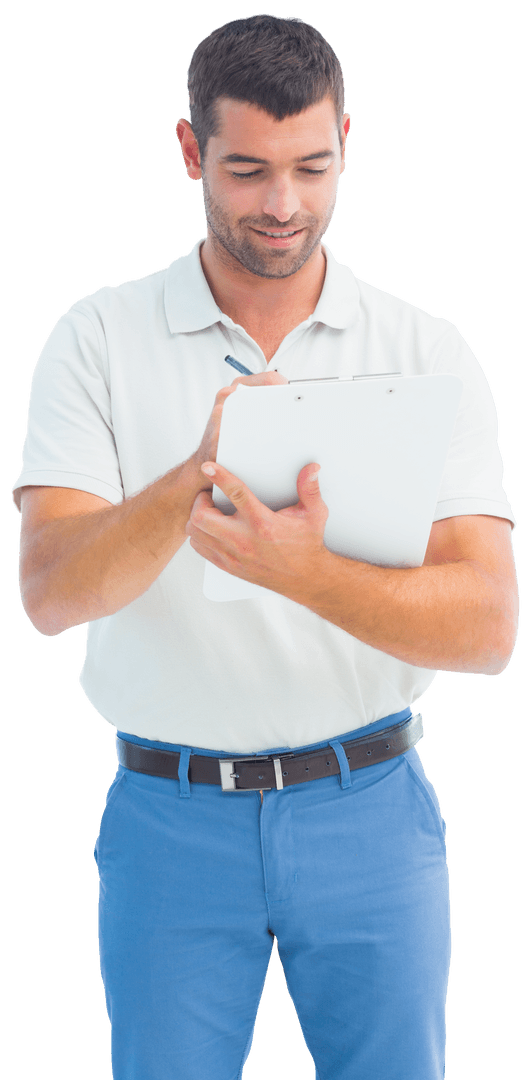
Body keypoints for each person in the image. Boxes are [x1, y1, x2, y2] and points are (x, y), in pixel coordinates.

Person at [12, 13, 518, 1080]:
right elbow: (52, 593)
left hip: (371, 815)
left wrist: (304, 573)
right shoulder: (98, 339)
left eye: (311, 166)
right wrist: (198, 468)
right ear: (192, 151)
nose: (283, 205)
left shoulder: (426, 351)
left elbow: (487, 628)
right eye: (246, 169)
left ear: (345, 139)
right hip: (169, 824)